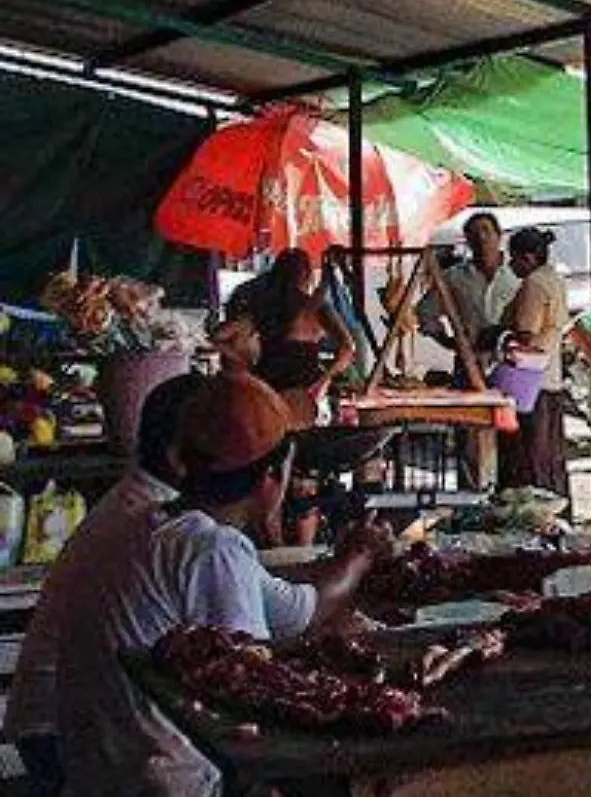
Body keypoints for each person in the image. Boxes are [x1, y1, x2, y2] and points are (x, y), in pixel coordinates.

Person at [53, 370, 388, 797]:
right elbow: (258, 698)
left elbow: (299, 608)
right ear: (270, 479)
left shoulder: (149, 523)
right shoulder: (209, 549)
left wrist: (356, 559)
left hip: (97, 771)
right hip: (162, 783)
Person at [4, 372, 202, 797]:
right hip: (58, 733)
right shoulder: (158, 524)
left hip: (58, 720)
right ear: (179, 455)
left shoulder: (141, 503)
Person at [242, 249, 356, 427]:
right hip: (306, 391)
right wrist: (324, 380)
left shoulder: (262, 307)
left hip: (266, 387)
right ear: (306, 275)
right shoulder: (317, 307)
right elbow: (348, 348)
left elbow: (231, 339)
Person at [496, 227, 569, 494]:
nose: (510, 265)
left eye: (513, 259)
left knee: (529, 458)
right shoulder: (555, 279)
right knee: (549, 458)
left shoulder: (534, 284)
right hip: (550, 379)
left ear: (526, 258)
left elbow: (526, 334)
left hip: (529, 383)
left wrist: (499, 337)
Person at [417, 212, 521, 364]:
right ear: (467, 241)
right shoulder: (454, 277)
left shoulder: (517, 274)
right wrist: (448, 341)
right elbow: (425, 311)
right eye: (474, 233)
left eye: (486, 230)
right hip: (470, 363)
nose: (481, 237)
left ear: (499, 235)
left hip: (512, 363)